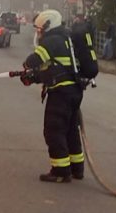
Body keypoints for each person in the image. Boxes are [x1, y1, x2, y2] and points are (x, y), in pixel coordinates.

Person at [19, 9, 92, 182]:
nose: (39, 32)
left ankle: (60, 172)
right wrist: (33, 77)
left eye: (40, 29)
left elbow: (33, 61)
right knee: (71, 131)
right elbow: (55, 67)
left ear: (48, 25)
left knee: (54, 131)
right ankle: (77, 169)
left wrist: (27, 67)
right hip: (74, 91)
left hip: (61, 93)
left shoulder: (52, 40)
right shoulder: (68, 38)